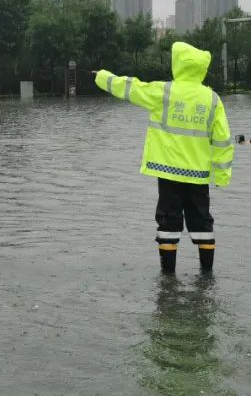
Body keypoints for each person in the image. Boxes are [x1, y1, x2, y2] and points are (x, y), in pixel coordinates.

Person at [94, 41, 233, 272]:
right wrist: (222, 175)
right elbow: (223, 141)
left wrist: (101, 76)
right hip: (199, 175)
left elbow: (131, 88)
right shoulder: (212, 99)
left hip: (169, 172)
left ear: (177, 64)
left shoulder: (164, 92)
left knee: (168, 222)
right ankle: (207, 277)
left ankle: (168, 279)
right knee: (202, 222)